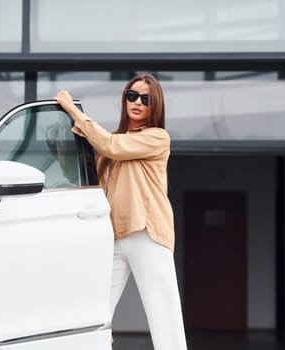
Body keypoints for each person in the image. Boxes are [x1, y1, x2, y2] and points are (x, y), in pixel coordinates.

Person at [55, 73, 187, 350]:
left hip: (147, 233)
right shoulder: (113, 141)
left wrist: (73, 112)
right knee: (95, 310)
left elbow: (111, 147)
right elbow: (92, 178)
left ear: (155, 106)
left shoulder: (157, 138)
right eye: (132, 96)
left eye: (146, 99)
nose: (137, 102)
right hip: (114, 234)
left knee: (165, 315)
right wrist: (60, 145)